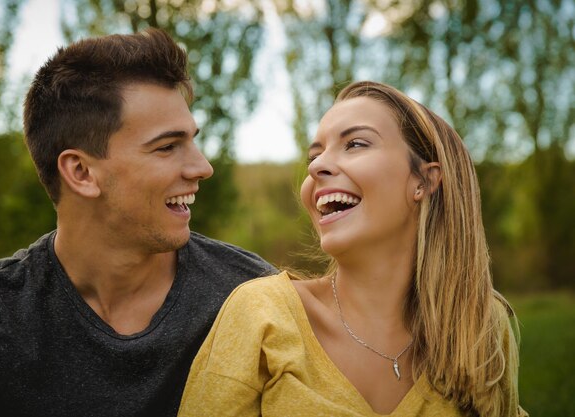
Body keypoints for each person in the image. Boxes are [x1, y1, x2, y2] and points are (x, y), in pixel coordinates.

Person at [0, 28, 276, 417]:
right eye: (168, 147)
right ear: (82, 172)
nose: (202, 167)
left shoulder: (252, 298)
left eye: (192, 141)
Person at [177, 81, 527, 417]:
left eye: (356, 144)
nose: (315, 166)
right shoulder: (260, 313)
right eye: (315, 154)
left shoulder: (479, 324)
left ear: (424, 181)